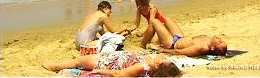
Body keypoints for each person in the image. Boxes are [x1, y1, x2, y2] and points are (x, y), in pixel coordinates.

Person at [42, 50, 182, 77]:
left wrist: (101, 72)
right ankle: (81, 58)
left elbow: (119, 74)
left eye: (163, 59)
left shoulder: (143, 67)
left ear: (159, 66)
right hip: (113, 57)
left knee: (78, 62)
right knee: (83, 59)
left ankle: (54, 66)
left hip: (107, 62)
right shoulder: (151, 64)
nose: (163, 56)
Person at [142, 17, 228, 57]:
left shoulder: (201, 47)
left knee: (154, 21)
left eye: (220, 42)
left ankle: (142, 44)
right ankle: (156, 39)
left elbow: (180, 52)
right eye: (221, 40)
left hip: (172, 44)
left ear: (212, 48)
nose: (220, 38)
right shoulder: (209, 41)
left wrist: (164, 50)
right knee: (167, 19)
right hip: (180, 38)